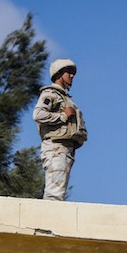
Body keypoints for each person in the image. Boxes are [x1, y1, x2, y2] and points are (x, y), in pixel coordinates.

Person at [33, 58, 87, 201]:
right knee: (54, 195)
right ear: (58, 74)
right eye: (68, 72)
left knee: (58, 192)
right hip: (56, 149)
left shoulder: (64, 97)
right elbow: (38, 114)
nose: (72, 76)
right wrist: (63, 116)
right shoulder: (51, 94)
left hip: (65, 150)